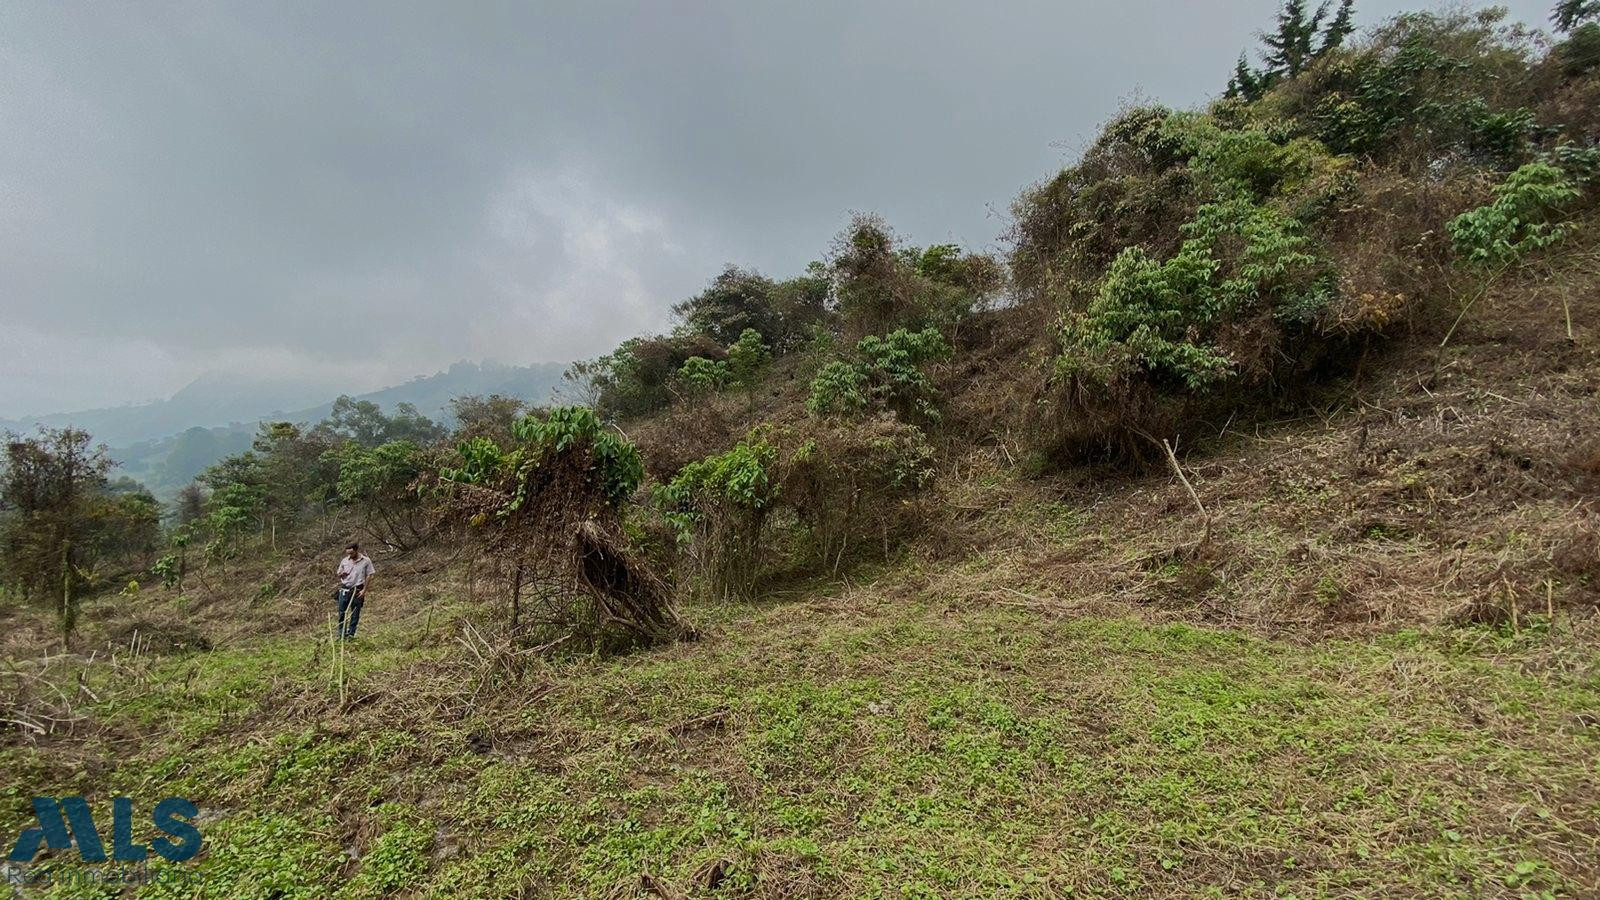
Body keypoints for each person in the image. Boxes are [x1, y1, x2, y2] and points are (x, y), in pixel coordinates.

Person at [333, 542, 375, 640]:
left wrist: (364, 590)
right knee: (342, 612)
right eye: (348, 553)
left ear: (356, 550)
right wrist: (341, 574)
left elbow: (369, 575)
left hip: (358, 589)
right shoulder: (344, 561)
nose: (350, 555)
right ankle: (341, 634)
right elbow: (339, 572)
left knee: (355, 613)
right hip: (345, 588)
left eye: (351, 553)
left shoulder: (366, 561)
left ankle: (351, 634)